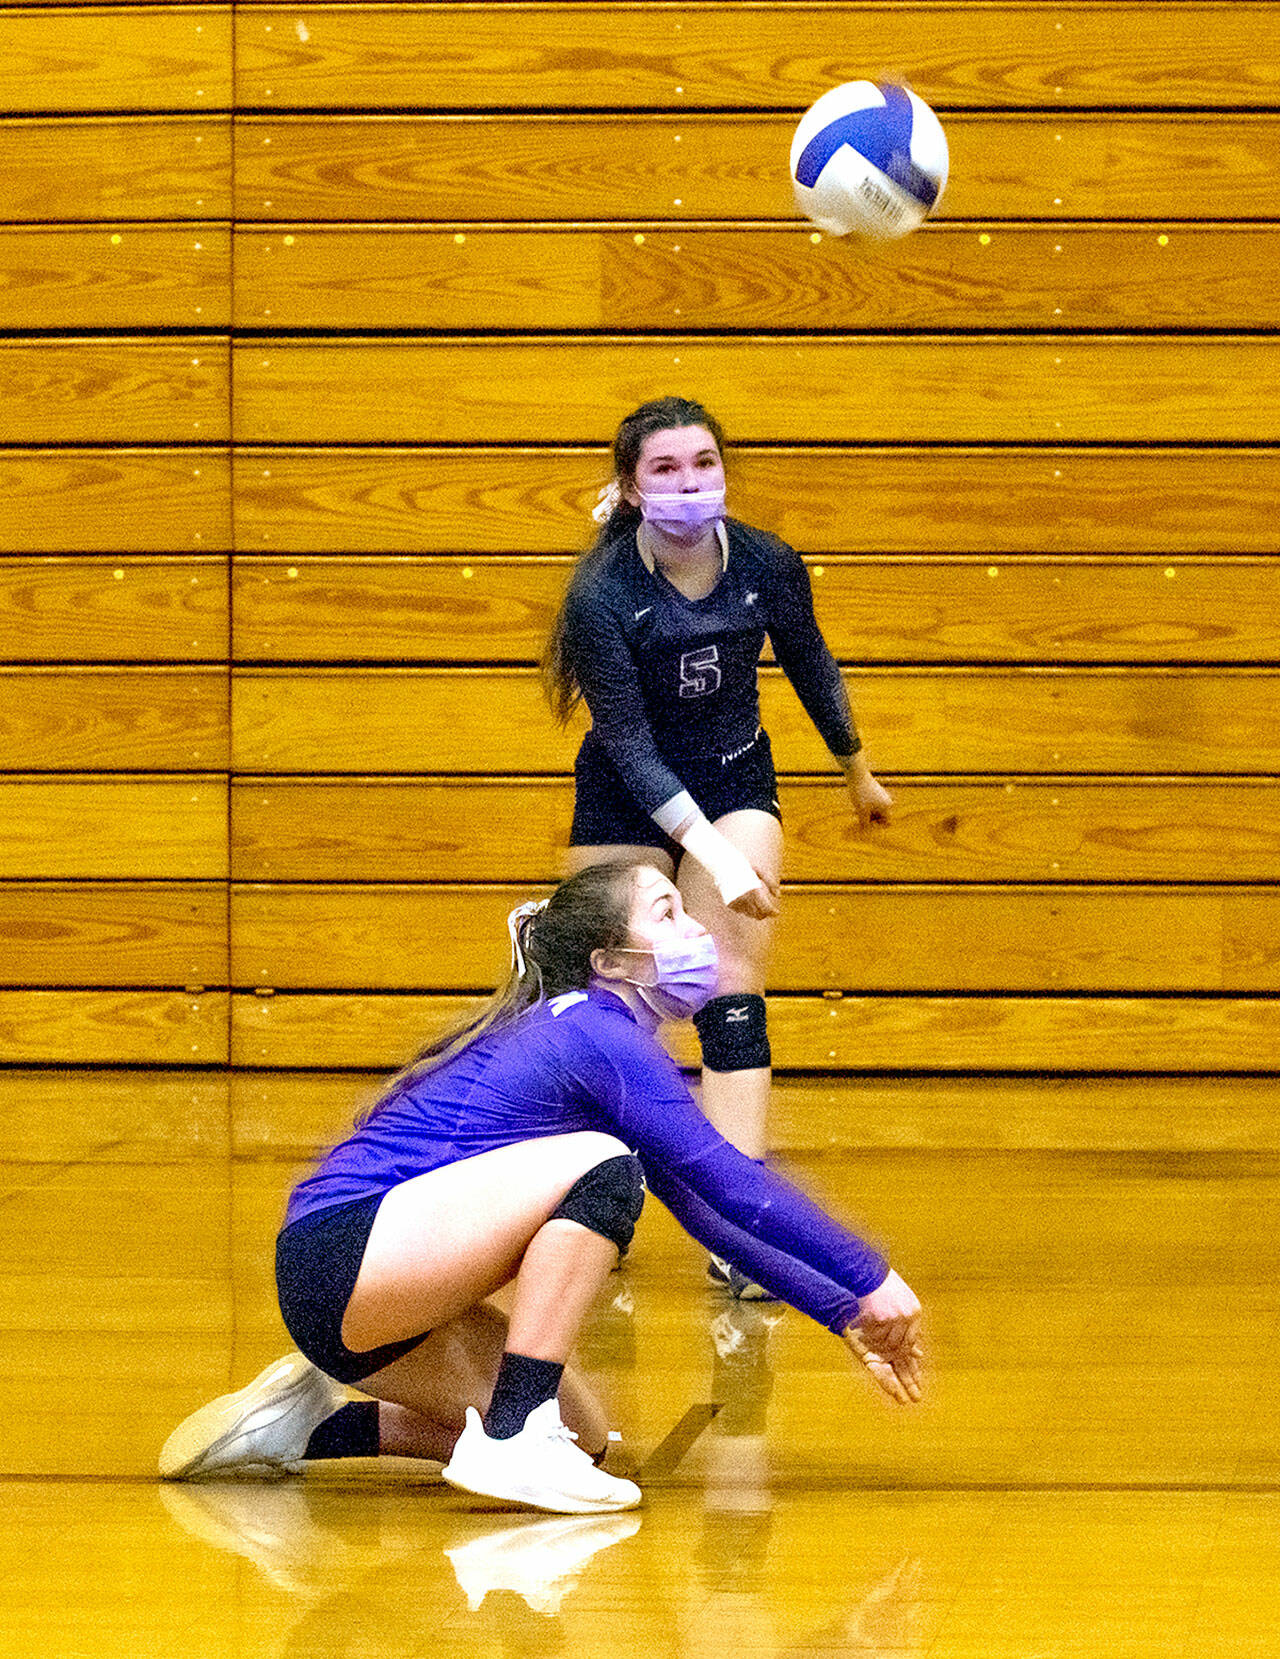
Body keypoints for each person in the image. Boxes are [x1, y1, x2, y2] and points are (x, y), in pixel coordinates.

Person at [159, 860, 922, 1514]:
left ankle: (305, 1425)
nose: (697, 928)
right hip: (344, 1253)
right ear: (614, 961)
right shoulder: (595, 1031)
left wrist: (841, 1307)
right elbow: (733, 1183)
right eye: (668, 910)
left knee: (585, 1440)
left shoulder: (604, 1038)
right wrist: (872, 1276)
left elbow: (706, 1213)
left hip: (361, 1290)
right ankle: (517, 1436)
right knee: (599, 1164)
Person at [544, 398, 892, 1294]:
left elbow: (810, 659)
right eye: (665, 469)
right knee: (616, 996)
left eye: (703, 463)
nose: (689, 482)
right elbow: (627, 744)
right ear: (630, 488)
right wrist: (714, 857)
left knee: (731, 983)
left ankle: (739, 1224)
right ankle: (596, 1207)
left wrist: (856, 768)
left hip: (736, 775)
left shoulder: (768, 562)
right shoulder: (604, 593)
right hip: (627, 792)